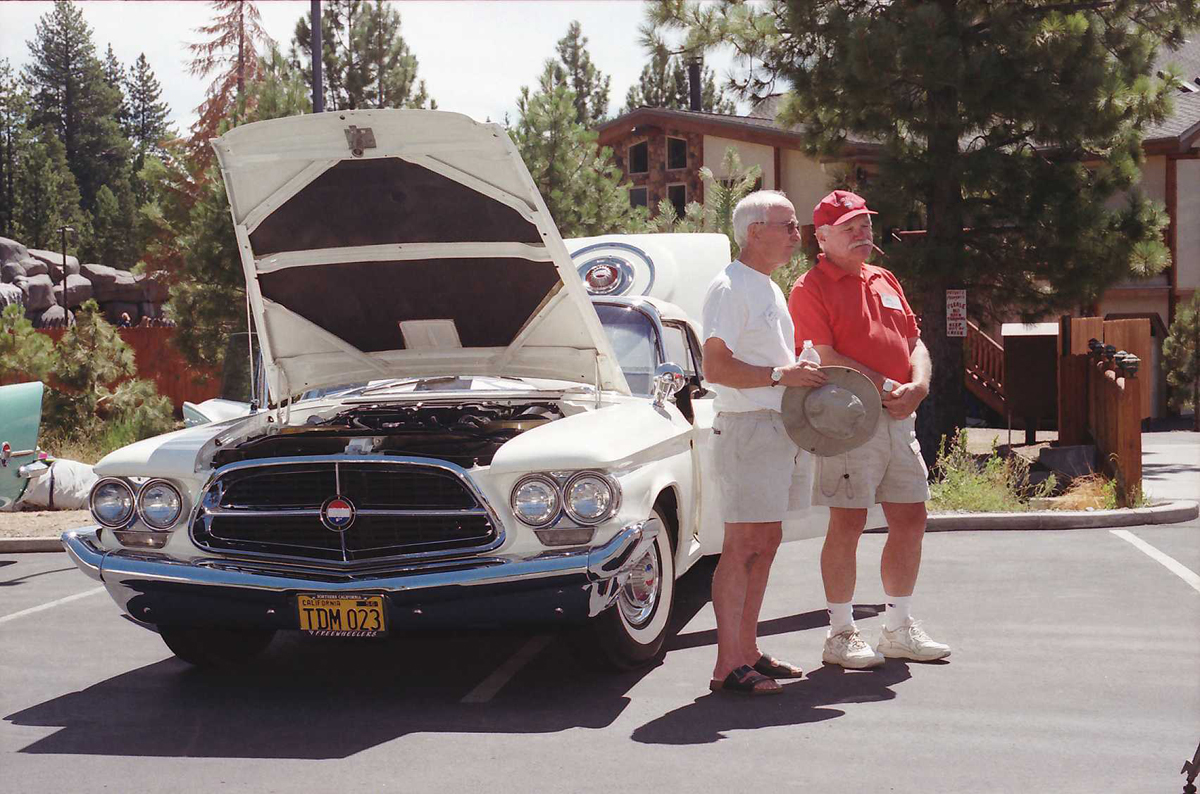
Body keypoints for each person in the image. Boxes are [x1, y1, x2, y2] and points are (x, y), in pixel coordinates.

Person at [787, 190, 951, 668]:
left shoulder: (884, 277)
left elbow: (914, 340)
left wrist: (918, 385)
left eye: (865, 225)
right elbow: (825, 354)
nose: (862, 234)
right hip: (848, 420)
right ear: (821, 236)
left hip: (900, 416)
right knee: (849, 523)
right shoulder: (809, 287)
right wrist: (887, 387)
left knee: (910, 518)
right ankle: (840, 635)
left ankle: (898, 629)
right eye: (849, 227)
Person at [701, 191, 827, 695]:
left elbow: (767, 365)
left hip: (775, 429)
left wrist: (794, 368)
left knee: (766, 543)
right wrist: (782, 373)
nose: (799, 235)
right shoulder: (730, 287)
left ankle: (747, 651)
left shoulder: (766, 288)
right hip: (748, 430)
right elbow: (714, 366)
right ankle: (727, 665)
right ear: (756, 232)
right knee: (743, 546)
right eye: (790, 225)